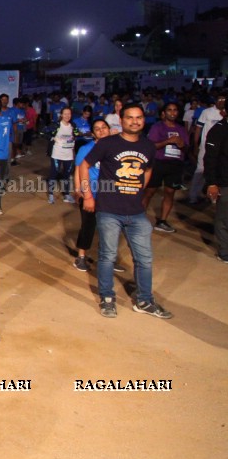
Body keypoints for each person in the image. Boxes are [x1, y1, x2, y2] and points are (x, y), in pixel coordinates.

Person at [79, 103, 173, 319]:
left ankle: (145, 300)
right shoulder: (108, 143)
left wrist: (138, 192)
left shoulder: (149, 146)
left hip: (136, 212)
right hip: (109, 210)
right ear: (121, 120)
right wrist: (88, 195)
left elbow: (147, 170)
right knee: (108, 256)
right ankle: (107, 298)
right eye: (129, 117)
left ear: (143, 120)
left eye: (139, 117)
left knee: (144, 258)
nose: (134, 121)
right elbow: (84, 166)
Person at [72, 117, 112, 271]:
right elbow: (78, 170)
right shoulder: (86, 149)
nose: (101, 130)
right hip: (91, 193)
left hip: (111, 195)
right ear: (93, 133)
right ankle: (81, 256)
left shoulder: (116, 148)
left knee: (109, 228)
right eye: (97, 128)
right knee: (88, 226)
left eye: (104, 127)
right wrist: (78, 190)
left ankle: (108, 259)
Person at [143, 102, 187, 233]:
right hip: (158, 162)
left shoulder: (181, 129)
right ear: (164, 113)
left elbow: (186, 146)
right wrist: (167, 141)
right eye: (169, 110)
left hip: (175, 164)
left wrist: (181, 144)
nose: (172, 112)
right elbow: (151, 145)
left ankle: (162, 221)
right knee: (149, 192)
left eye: (175, 110)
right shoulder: (157, 127)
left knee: (170, 192)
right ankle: (137, 219)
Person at [202, 102, 228, 262]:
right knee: (223, 220)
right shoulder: (218, 130)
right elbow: (210, 158)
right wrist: (211, 182)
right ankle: (225, 252)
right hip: (225, 183)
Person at [48, 107, 76, 204]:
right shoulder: (56, 125)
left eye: (69, 114)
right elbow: (43, 132)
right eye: (65, 114)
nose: (67, 116)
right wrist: (53, 138)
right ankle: (51, 195)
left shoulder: (73, 125)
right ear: (61, 115)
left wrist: (74, 138)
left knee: (67, 175)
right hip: (57, 154)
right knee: (54, 173)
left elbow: (76, 134)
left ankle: (66, 195)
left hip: (68, 155)